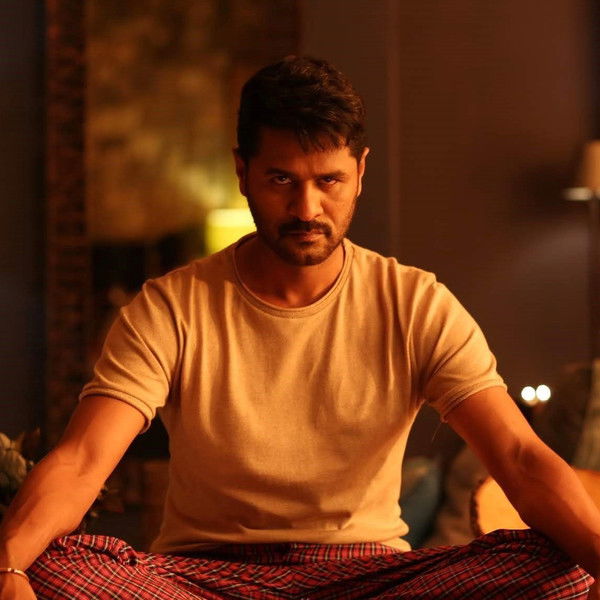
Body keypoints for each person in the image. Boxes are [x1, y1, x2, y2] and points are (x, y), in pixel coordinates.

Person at [1, 55, 599, 600]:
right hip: (205, 579)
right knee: (51, 564)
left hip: (367, 578)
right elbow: (82, 460)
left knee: (559, 566)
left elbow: (519, 456)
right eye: (282, 180)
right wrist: (7, 568)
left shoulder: (416, 302)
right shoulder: (170, 306)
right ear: (242, 171)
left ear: (360, 172)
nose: (307, 209)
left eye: (328, 181)